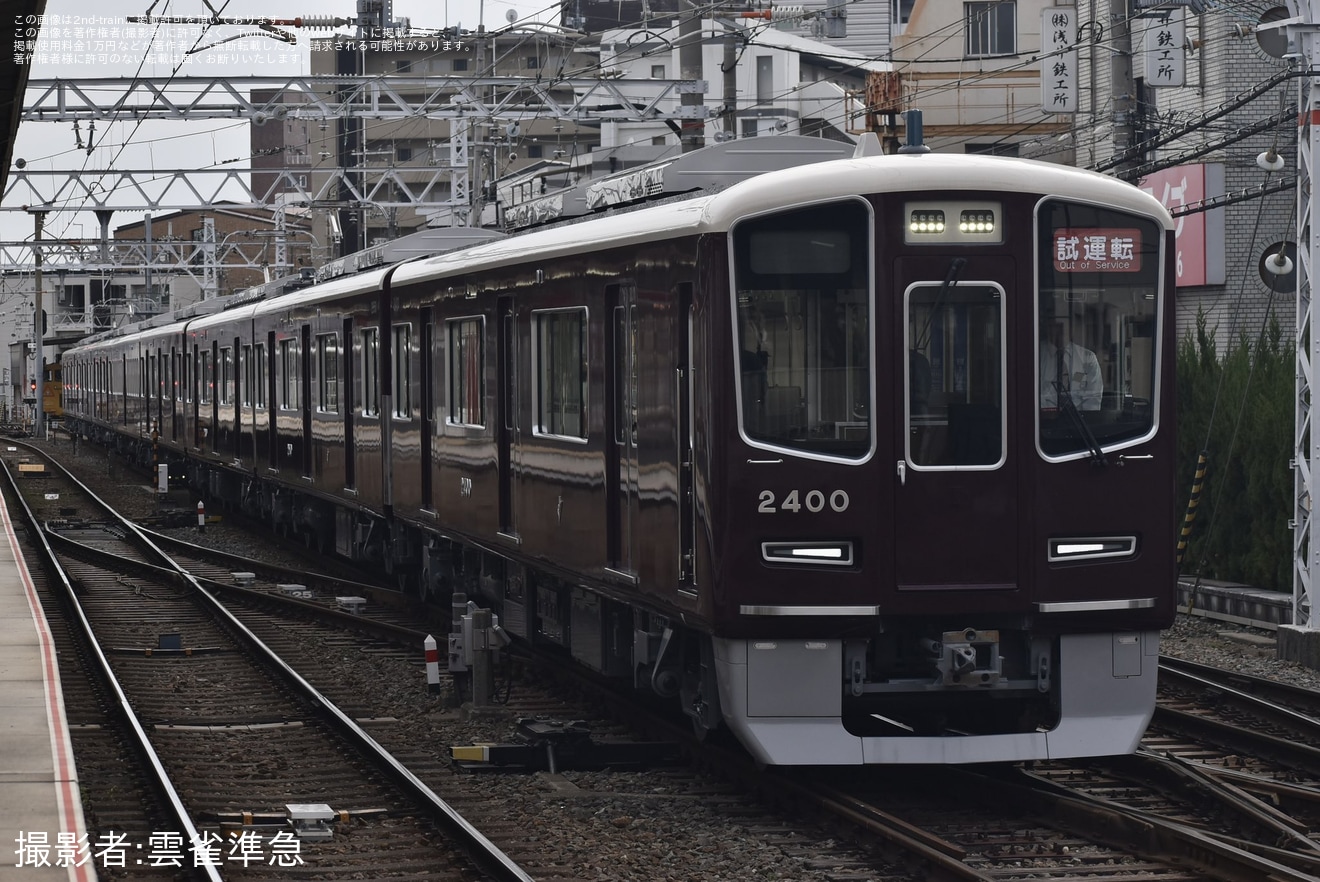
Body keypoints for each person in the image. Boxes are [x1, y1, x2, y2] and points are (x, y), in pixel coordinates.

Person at [1040, 316, 1102, 412]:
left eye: (1066, 326)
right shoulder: (1036, 356)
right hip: (1044, 422)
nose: (1062, 330)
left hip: (1079, 423)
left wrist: (1085, 421)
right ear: (1048, 328)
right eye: (1057, 326)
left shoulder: (1088, 358)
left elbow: (1093, 400)